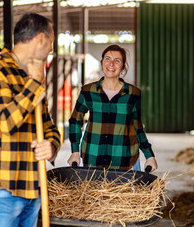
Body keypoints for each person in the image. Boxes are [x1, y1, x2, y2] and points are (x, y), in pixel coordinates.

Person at [0, 13, 61, 227]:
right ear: (41, 38)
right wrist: (34, 84)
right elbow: (6, 122)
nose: (51, 48)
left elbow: (48, 124)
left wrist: (51, 146)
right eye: (51, 41)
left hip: (33, 185)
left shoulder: (31, 75)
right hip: (5, 187)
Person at [67, 44, 158, 172]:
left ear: (122, 66)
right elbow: (75, 121)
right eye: (107, 59)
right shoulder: (88, 91)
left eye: (117, 61)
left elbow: (137, 127)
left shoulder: (133, 94)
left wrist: (149, 156)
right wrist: (75, 151)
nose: (111, 64)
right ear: (102, 63)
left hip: (124, 161)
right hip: (93, 160)